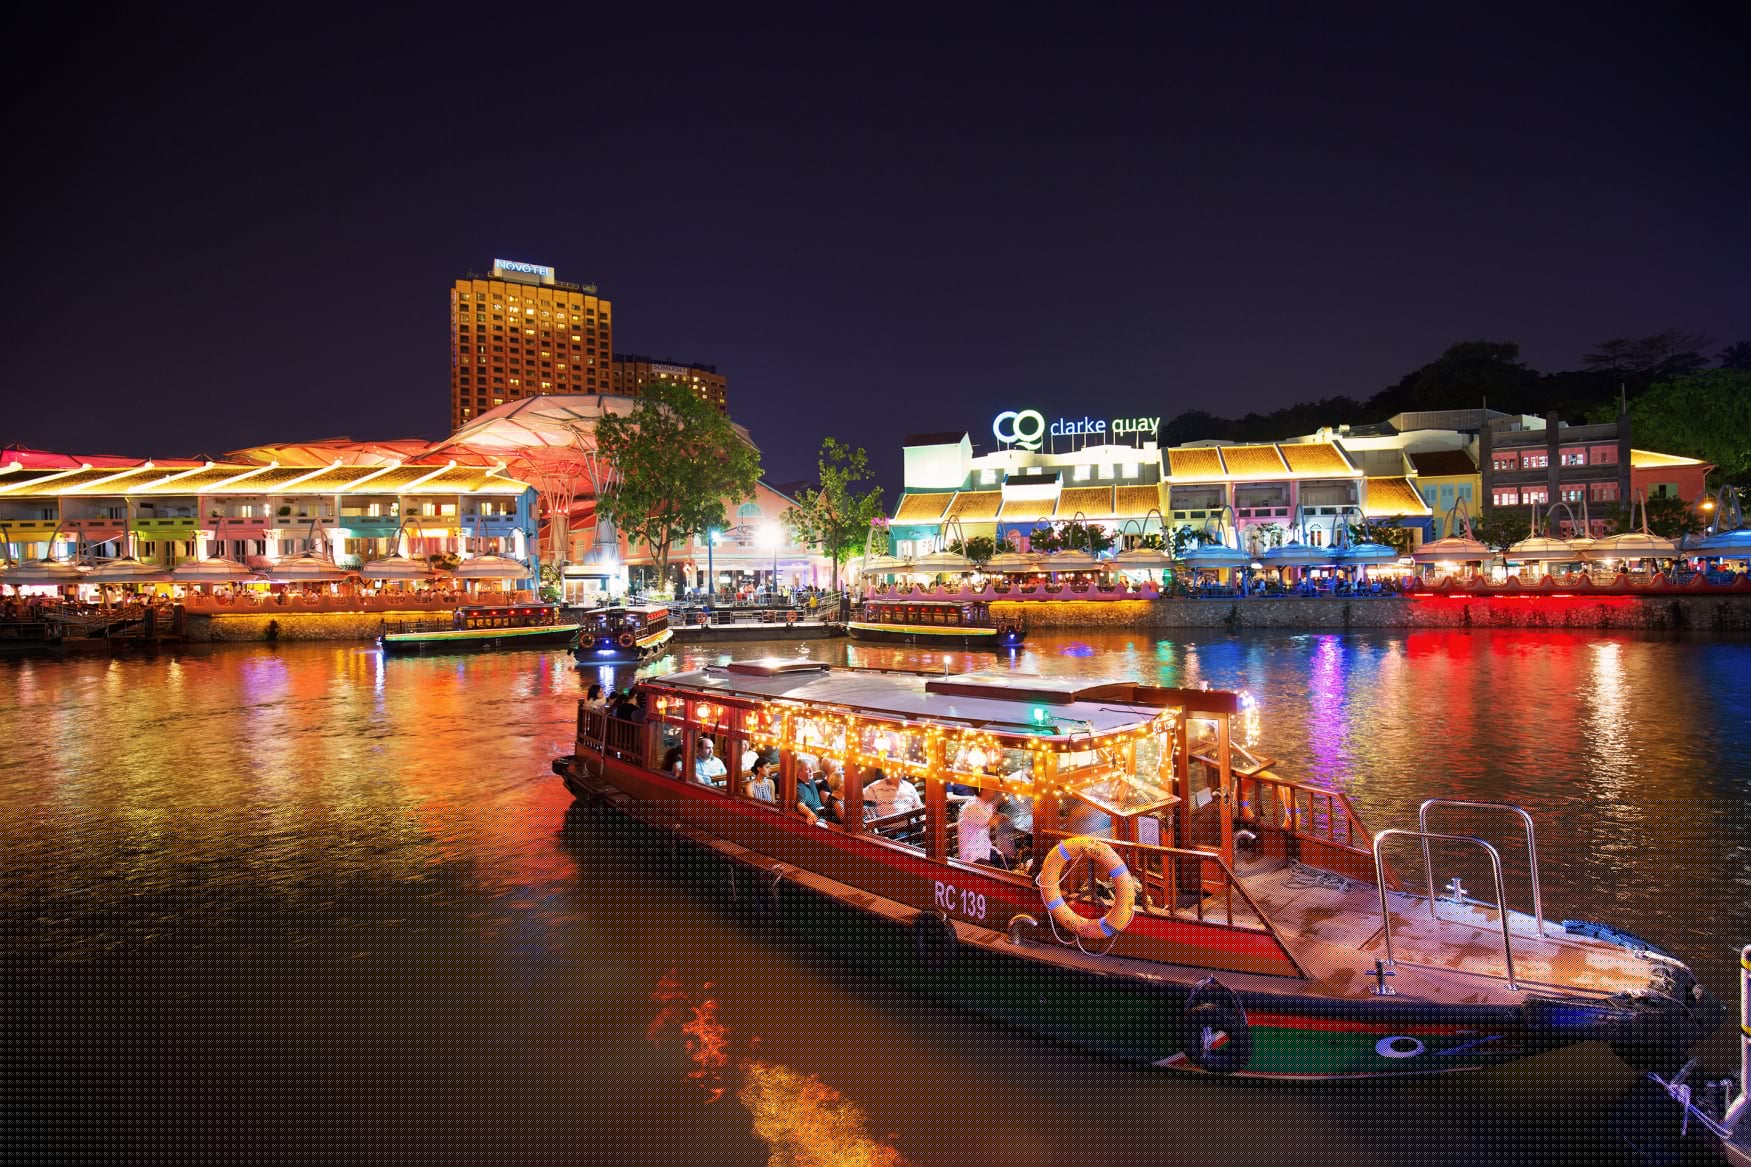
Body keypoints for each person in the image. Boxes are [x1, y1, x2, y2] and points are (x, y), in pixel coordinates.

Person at [956, 785, 1004, 866]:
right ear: (984, 790)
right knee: (993, 876)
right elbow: (993, 821)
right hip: (972, 856)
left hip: (985, 849)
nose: (994, 791)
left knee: (1009, 861)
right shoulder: (972, 806)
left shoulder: (986, 804)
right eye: (991, 788)